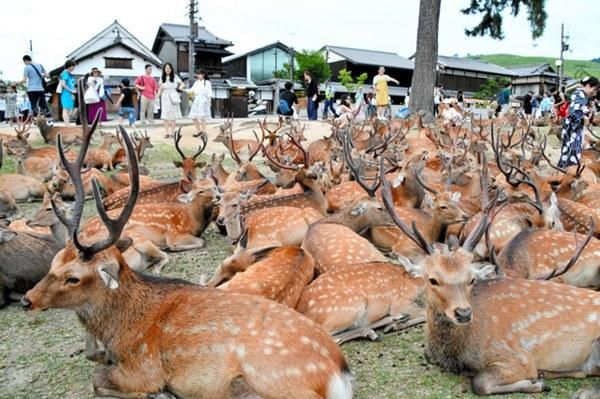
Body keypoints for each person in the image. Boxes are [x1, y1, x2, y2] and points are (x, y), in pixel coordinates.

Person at [558, 76, 599, 168]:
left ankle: (564, 168)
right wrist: (584, 117)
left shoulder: (583, 96)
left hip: (574, 127)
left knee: (570, 149)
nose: (595, 92)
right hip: (572, 128)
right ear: (588, 86)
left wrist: (588, 112)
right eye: (595, 89)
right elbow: (574, 111)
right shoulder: (579, 94)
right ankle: (569, 169)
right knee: (572, 150)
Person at [158, 62, 183, 138]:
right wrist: (156, 97)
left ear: (171, 69)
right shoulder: (162, 77)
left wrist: (180, 87)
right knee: (165, 115)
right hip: (165, 96)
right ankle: (166, 133)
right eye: (166, 68)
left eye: (169, 68)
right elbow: (160, 89)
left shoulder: (175, 77)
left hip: (173, 96)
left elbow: (182, 84)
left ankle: (173, 133)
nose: (168, 70)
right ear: (164, 69)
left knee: (173, 116)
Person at [187, 70, 212, 136]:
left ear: (203, 75)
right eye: (197, 74)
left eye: (200, 74)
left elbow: (209, 92)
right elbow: (191, 90)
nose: (198, 75)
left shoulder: (207, 82)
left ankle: (203, 131)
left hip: (203, 99)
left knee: (203, 117)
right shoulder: (196, 82)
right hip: (197, 100)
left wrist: (209, 101)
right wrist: (183, 89)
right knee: (194, 116)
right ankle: (199, 131)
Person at [59, 60, 77, 126]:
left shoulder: (69, 74)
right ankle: (67, 124)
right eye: (73, 66)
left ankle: (67, 123)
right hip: (66, 93)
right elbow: (63, 84)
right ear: (69, 66)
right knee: (66, 109)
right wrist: (71, 91)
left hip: (70, 94)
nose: (74, 68)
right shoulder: (65, 73)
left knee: (70, 109)